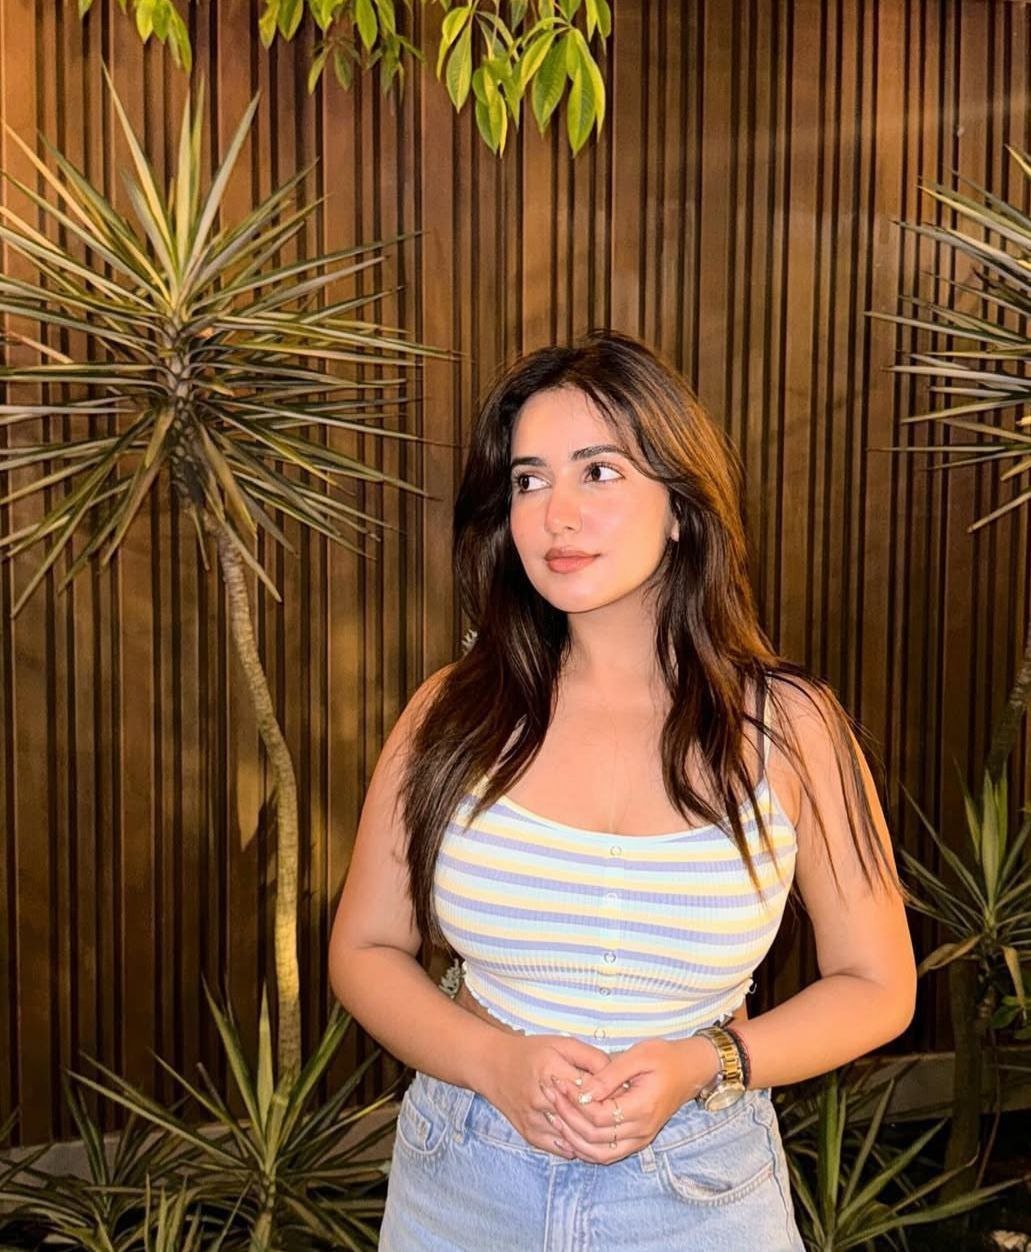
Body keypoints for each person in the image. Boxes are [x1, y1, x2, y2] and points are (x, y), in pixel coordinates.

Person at [329, 331, 917, 1251]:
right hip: (462, 1177)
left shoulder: (791, 727)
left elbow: (877, 985)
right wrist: (492, 1062)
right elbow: (364, 948)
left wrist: (707, 1062)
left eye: (598, 472)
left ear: (680, 507)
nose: (555, 514)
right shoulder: (450, 711)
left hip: (698, 1187)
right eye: (528, 481)